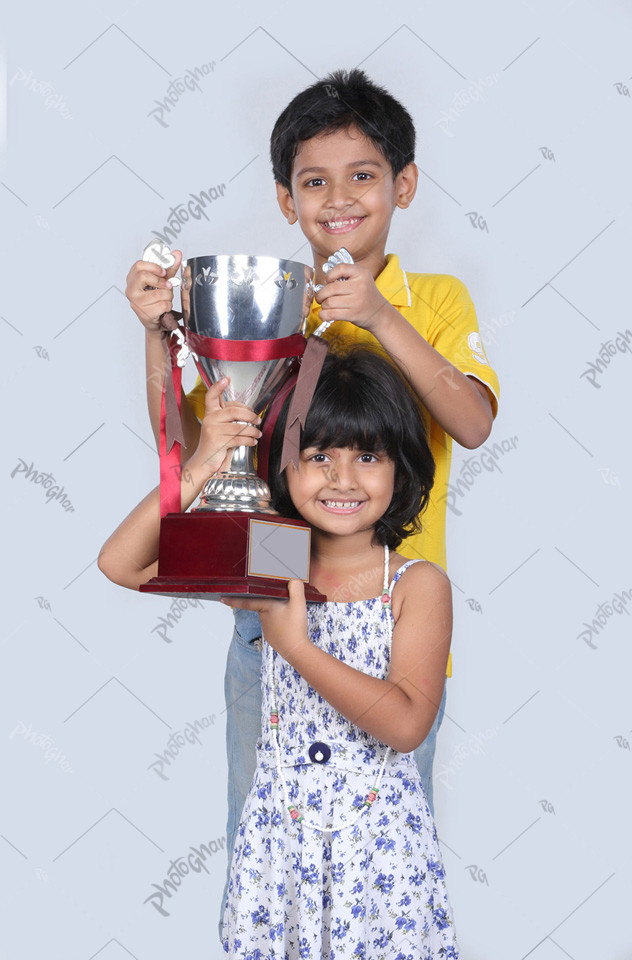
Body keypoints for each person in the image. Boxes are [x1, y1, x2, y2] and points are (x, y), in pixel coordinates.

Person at [124, 67, 500, 930]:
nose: (338, 197)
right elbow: (191, 463)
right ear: (286, 201)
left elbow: (472, 422)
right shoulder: (266, 310)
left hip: (388, 613)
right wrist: (158, 340)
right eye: (312, 180)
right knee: (264, 862)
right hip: (274, 608)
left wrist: (379, 317)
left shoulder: (432, 301)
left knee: (385, 868)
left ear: (402, 185)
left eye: (362, 174)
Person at [98, 346, 459, 957]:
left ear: (402, 467)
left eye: (367, 456)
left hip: (379, 855)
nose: (343, 479)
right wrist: (205, 462)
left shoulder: (416, 584)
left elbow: (405, 724)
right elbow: (122, 564)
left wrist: (294, 646)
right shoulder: (271, 557)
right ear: (284, 468)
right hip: (281, 847)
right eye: (319, 456)